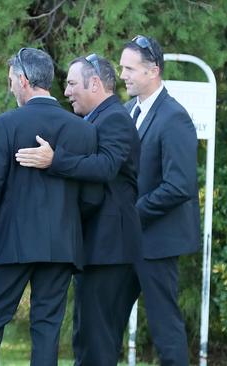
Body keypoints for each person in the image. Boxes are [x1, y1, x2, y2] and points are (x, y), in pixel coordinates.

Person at [0, 47, 102, 366]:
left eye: (11, 80)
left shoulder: (6, 124)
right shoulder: (84, 130)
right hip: (60, 244)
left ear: (24, 81)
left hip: (8, 243)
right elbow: (91, 196)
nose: (10, 86)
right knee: (47, 329)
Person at [15, 54, 142, 365]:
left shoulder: (114, 119)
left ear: (95, 83)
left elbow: (106, 166)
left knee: (97, 343)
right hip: (99, 248)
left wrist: (54, 160)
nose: (66, 91)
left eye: (72, 83)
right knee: (88, 340)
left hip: (112, 250)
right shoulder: (98, 118)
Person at [116, 35, 200, 365]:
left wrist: (132, 214)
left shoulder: (174, 117)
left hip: (157, 242)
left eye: (129, 69)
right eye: (122, 67)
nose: (122, 75)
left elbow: (179, 185)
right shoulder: (127, 111)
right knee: (106, 322)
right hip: (125, 241)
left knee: (166, 329)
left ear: (153, 71)